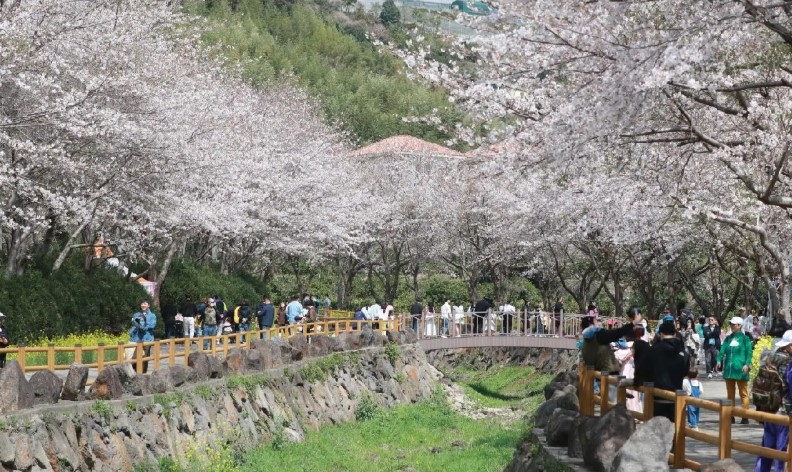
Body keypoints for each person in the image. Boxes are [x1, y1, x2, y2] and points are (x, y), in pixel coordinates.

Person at [754, 330, 792, 472]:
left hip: (768, 408)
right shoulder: (788, 362)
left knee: (766, 449)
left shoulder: (769, 357)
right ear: (790, 346)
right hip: (783, 411)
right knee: (781, 452)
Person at [645, 319, 689, 423]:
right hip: (676, 395)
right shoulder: (682, 352)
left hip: (656, 395)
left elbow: (646, 370)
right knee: (676, 427)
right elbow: (685, 371)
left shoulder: (652, 350)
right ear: (675, 334)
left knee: (656, 427)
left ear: (661, 334)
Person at [717, 316, 753, 424]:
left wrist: (747, 364)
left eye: (733, 324)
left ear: (739, 325)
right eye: (731, 324)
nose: (731, 326)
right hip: (729, 369)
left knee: (743, 393)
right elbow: (722, 350)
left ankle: (745, 415)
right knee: (730, 394)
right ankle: (731, 415)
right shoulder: (728, 338)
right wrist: (718, 360)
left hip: (741, 369)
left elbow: (749, 353)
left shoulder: (745, 339)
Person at [129, 300, 157, 373]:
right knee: (134, 357)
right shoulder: (136, 314)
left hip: (147, 339)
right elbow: (134, 324)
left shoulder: (152, 315)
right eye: (142, 304)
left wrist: (142, 326)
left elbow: (151, 325)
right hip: (137, 338)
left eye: (145, 304)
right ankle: (134, 373)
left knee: (144, 358)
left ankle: (143, 374)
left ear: (148, 305)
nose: (143, 305)